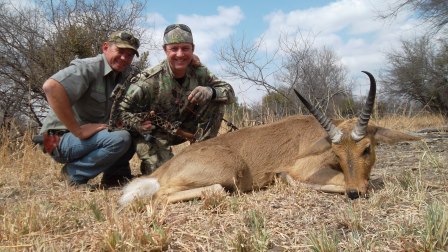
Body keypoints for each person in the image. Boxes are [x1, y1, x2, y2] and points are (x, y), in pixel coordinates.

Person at [117, 24, 236, 175]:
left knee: (216, 99)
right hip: (155, 133)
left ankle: (201, 153)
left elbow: (230, 93)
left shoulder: (200, 72)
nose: (180, 54)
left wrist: (210, 91)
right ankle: (152, 163)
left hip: (185, 127)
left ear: (193, 49)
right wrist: (137, 123)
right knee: (164, 174)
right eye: (174, 49)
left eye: (185, 48)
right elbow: (120, 113)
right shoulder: (148, 80)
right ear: (165, 50)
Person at [39, 30, 141, 188]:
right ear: (105, 47)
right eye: (120, 51)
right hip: (54, 140)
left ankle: (115, 177)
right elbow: (51, 87)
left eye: (129, 55)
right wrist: (78, 130)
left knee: (133, 130)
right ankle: (73, 174)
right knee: (121, 138)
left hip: (87, 139)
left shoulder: (125, 74)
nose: (124, 58)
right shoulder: (89, 67)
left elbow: (152, 78)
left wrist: (192, 62)